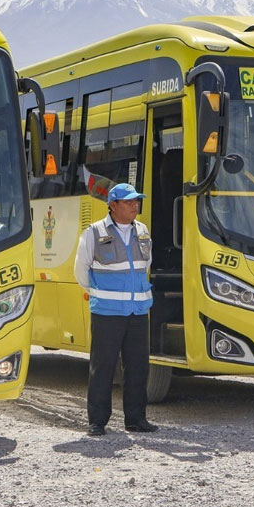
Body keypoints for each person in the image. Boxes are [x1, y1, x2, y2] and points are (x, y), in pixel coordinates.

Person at [73, 182, 158, 436]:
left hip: (138, 311)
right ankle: (97, 421)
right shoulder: (94, 232)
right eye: (129, 201)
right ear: (113, 205)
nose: (135, 205)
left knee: (138, 367)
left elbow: (145, 265)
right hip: (107, 312)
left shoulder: (142, 230)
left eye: (136, 200)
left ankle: (136, 419)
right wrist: (99, 292)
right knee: (103, 367)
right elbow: (81, 270)